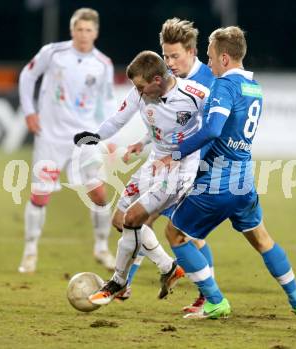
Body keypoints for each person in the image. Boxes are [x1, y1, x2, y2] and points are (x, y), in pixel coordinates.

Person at [154, 26, 296, 320]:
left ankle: (214, 300)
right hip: (244, 180)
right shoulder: (254, 87)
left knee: (175, 233)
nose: (208, 61)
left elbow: (213, 130)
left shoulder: (224, 86)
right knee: (262, 239)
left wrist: (175, 153)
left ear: (225, 58)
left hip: (218, 180)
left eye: (211, 56)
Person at [74, 50, 210, 305]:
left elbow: (216, 126)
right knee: (119, 220)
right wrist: (95, 137)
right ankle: (168, 267)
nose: (137, 91)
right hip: (154, 163)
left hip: (181, 170)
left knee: (134, 219)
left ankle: (119, 283)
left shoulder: (195, 95)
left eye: (140, 86)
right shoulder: (139, 93)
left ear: (157, 80)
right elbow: (117, 120)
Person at [123, 18, 215, 313]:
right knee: (140, 220)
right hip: (168, 164)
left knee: (187, 234)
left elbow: (212, 129)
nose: (169, 62)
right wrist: (144, 141)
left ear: (191, 51)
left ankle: (208, 297)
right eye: (165, 56)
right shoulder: (167, 83)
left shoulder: (208, 82)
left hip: (199, 167)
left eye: (175, 56)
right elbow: (169, 127)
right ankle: (126, 284)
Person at [18, 8, 116, 273]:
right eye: (79, 29)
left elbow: (106, 102)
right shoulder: (53, 52)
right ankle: (30, 251)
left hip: (84, 138)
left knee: (98, 193)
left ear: (95, 32)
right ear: (72, 30)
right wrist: (29, 111)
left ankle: (102, 247)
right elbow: (27, 76)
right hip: (50, 135)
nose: (83, 35)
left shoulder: (103, 64)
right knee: (41, 193)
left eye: (88, 30)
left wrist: (109, 136)